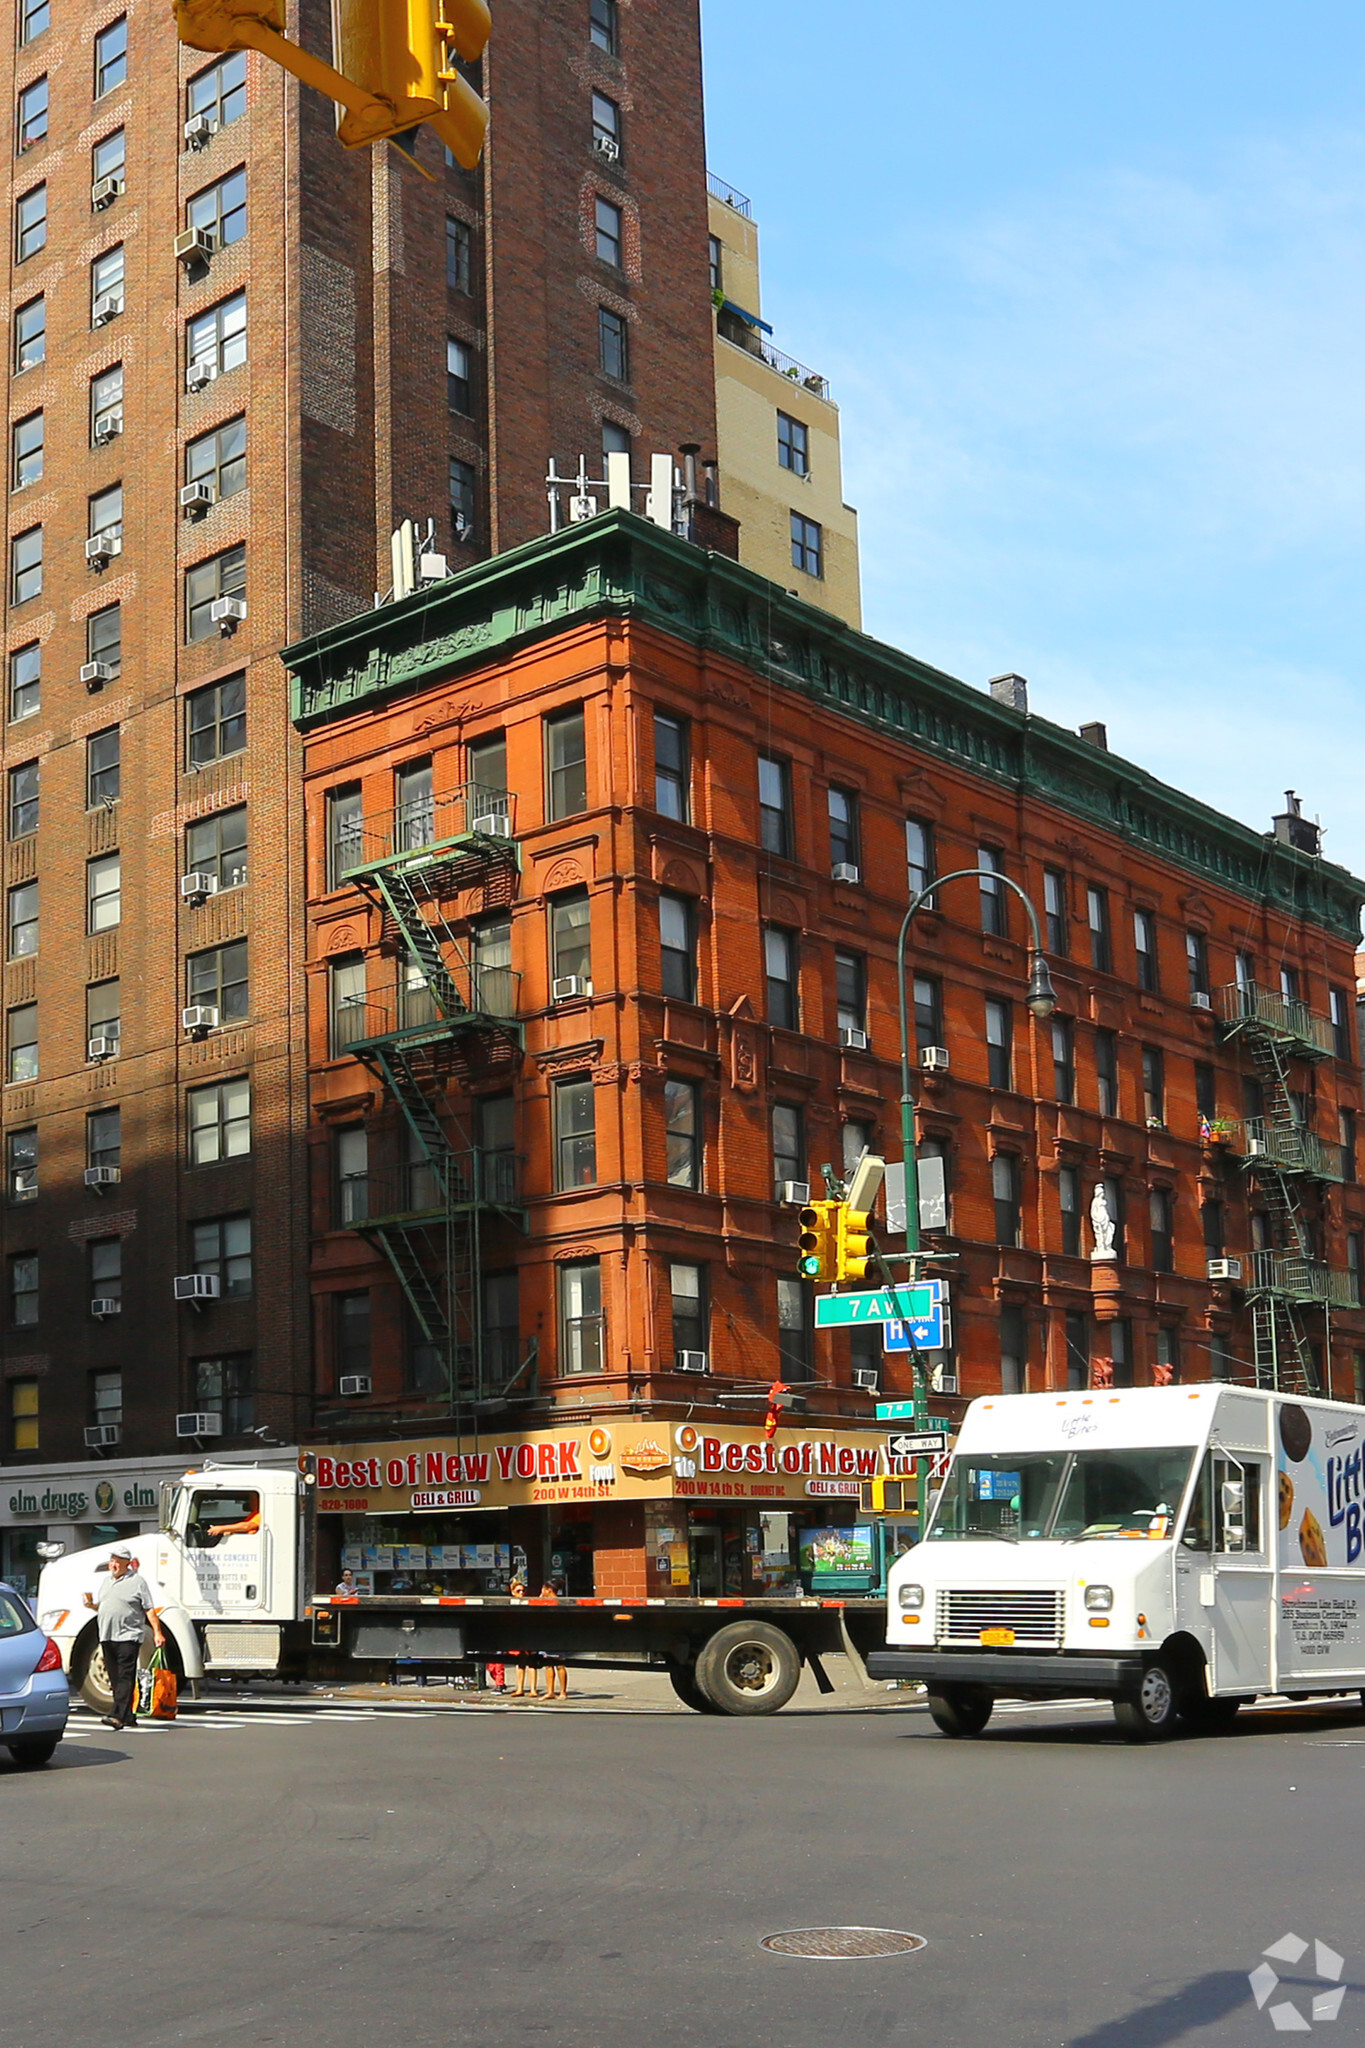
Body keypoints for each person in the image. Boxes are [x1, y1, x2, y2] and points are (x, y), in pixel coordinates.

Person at [84, 1547, 165, 1731]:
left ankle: (117, 1715)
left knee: (124, 1677)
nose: (113, 1564)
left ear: (126, 1563)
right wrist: (92, 1605)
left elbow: (149, 1609)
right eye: (112, 1560)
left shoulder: (138, 1582)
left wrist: (157, 1632)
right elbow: (106, 1606)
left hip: (128, 1635)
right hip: (106, 1635)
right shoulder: (106, 1581)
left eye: (117, 1561)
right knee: (115, 1678)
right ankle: (129, 1716)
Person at [508, 1575, 540, 1698]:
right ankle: (519, 1688)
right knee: (520, 1662)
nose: (521, 1593)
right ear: (512, 1592)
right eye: (518, 1591)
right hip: (517, 1634)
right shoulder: (510, 1604)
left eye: (523, 1591)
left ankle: (533, 1689)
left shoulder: (528, 1603)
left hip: (529, 1633)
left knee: (531, 1662)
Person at [538, 1581, 569, 1702]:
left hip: (557, 1635)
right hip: (547, 1634)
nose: (542, 1592)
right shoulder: (544, 1602)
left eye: (543, 1590)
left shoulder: (559, 1602)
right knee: (548, 1664)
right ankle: (550, 1691)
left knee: (560, 1664)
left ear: (548, 1589)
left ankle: (563, 1691)